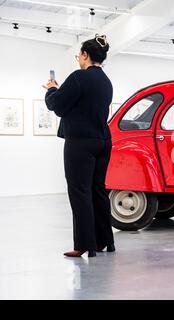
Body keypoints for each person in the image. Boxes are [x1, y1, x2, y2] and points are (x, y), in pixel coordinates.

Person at [43, 35, 115, 258]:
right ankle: (105, 241)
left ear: (85, 55)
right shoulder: (106, 81)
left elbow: (57, 105)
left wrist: (51, 89)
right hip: (103, 141)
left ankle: (85, 245)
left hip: (81, 143)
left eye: (79, 56)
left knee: (79, 192)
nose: (78, 60)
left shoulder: (79, 77)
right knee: (98, 190)